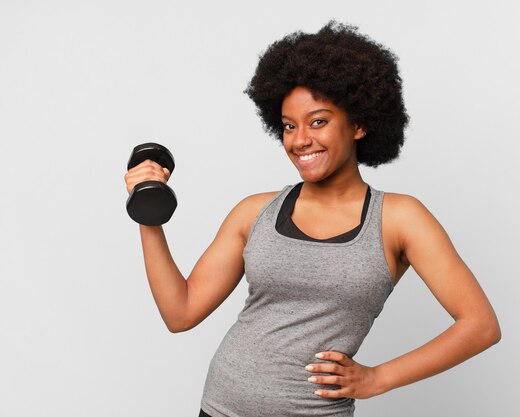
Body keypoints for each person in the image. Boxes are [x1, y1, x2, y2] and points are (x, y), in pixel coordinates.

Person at [124, 20, 501, 417]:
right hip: (221, 408)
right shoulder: (255, 212)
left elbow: (480, 325)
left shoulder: (399, 219)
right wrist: (149, 216)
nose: (300, 139)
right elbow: (180, 313)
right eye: (289, 126)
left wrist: (378, 378)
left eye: (318, 121)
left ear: (358, 124)